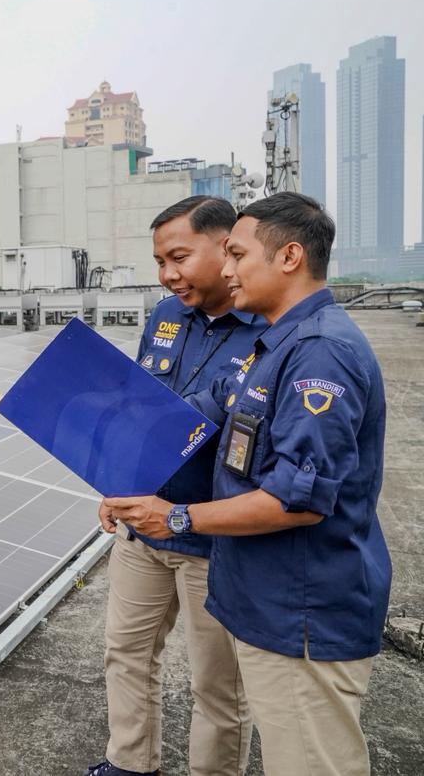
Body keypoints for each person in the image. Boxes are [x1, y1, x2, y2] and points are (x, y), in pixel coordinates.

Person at [107, 192, 391, 776]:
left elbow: (297, 498)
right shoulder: (275, 345)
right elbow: (192, 411)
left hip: (301, 604)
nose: (229, 267)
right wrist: (110, 461)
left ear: (289, 256)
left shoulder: (319, 353)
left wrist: (178, 517)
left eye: (236, 254)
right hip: (263, 593)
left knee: (302, 756)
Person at [84, 197, 261, 776]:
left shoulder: (268, 327)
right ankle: (130, 763)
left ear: (226, 246)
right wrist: (115, 481)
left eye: (179, 257)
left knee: (218, 687)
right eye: (160, 261)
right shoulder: (165, 315)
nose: (168, 274)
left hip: (213, 539)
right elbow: (139, 412)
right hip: (141, 531)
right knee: (126, 653)